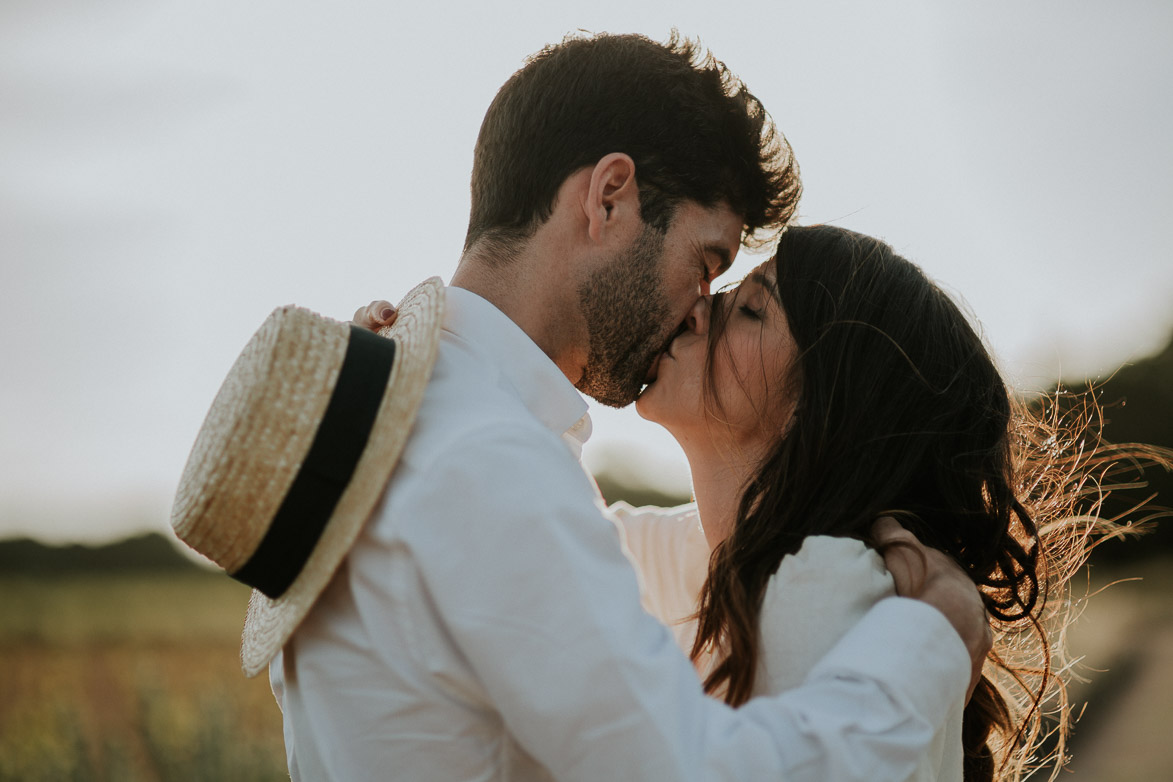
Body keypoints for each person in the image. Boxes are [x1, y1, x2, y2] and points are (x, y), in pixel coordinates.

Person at [280, 32, 991, 781]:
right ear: (609, 196)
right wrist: (931, 638)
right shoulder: (486, 458)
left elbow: (649, 550)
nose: (697, 307)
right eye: (707, 262)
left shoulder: (421, 424)